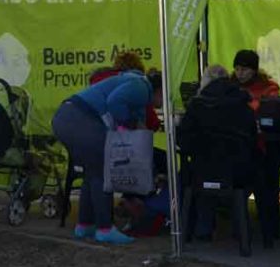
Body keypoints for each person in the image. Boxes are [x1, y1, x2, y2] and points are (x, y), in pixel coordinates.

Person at [51, 69, 161, 245]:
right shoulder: (141, 88)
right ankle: (105, 228)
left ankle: (85, 224)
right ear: (158, 90)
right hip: (81, 119)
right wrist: (130, 124)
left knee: (92, 173)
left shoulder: (132, 82)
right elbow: (115, 102)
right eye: (164, 96)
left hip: (64, 118)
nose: (164, 102)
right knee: (102, 172)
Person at [176, 65, 258, 240]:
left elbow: (184, 142)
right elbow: (252, 139)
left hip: (202, 170)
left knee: (191, 174)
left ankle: (201, 228)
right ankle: (241, 227)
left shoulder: (196, 106)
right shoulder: (244, 106)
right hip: (238, 172)